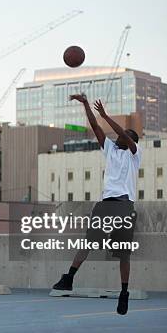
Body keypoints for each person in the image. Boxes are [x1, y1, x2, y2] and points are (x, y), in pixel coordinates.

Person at [52, 94, 141, 315]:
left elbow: (121, 133)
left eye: (125, 135)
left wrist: (106, 116)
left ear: (131, 141)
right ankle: (69, 278)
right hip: (106, 204)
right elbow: (94, 126)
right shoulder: (110, 149)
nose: (119, 136)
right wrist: (85, 105)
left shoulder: (135, 155)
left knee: (123, 254)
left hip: (124, 206)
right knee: (88, 242)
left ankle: (123, 292)